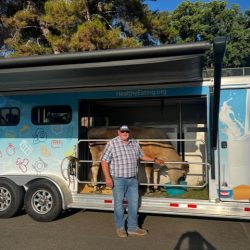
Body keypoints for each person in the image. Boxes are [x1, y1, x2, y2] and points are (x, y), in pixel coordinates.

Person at [101, 125, 165, 238]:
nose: (125, 133)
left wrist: (155, 160)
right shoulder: (112, 144)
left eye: (127, 131)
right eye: (122, 131)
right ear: (118, 132)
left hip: (133, 180)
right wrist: (107, 177)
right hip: (118, 180)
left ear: (129, 132)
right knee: (119, 205)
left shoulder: (134, 143)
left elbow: (142, 156)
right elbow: (104, 161)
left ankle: (132, 228)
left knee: (134, 204)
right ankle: (120, 228)